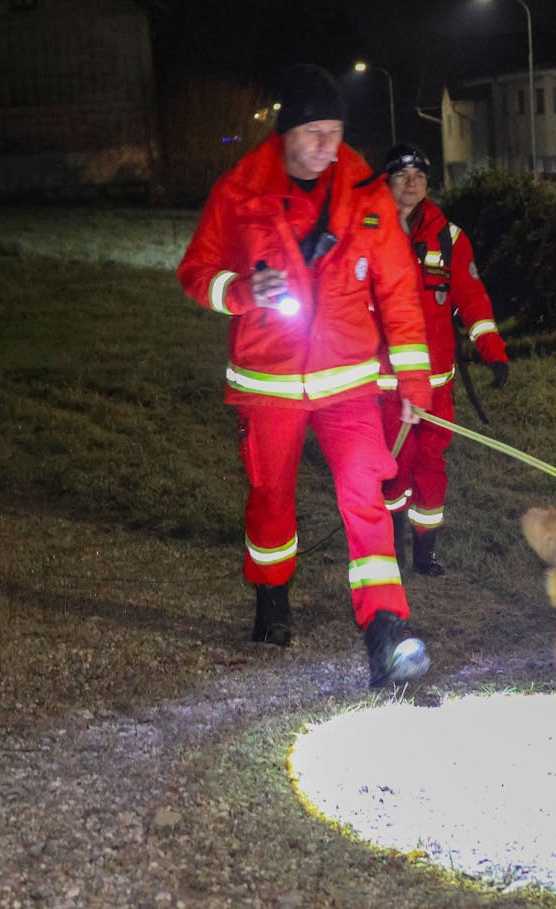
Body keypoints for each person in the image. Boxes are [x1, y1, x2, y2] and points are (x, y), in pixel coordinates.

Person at [175, 64, 433, 688]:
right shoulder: (239, 191)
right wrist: (239, 291)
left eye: (335, 132)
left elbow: (400, 294)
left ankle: (385, 631)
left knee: (365, 499)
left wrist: (414, 386)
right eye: (313, 132)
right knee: (271, 501)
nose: (326, 146)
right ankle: (271, 598)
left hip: (349, 385)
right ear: (285, 132)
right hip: (269, 386)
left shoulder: (369, 193)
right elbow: (195, 273)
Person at [377, 143, 511, 576]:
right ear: (388, 183)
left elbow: (471, 301)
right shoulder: (371, 234)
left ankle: (424, 553)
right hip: (386, 383)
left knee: (432, 466)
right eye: (402, 176)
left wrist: (494, 353)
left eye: (418, 175)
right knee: (394, 468)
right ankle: (391, 548)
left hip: (437, 384)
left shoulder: (449, 239)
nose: (411, 183)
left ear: (428, 182)